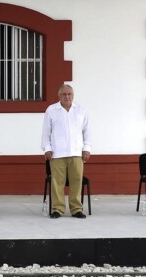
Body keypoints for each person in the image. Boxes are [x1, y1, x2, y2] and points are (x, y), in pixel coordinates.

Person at [41, 84, 91, 219]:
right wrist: (47, 148)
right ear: (59, 96)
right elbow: (46, 132)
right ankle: (57, 208)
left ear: (73, 96)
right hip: (57, 153)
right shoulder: (51, 110)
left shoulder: (81, 110)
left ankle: (76, 209)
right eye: (64, 94)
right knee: (57, 182)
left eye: (69, 94)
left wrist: (87, 148)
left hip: (76, 153)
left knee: (77, 181)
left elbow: (87, 131)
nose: (67, 97)